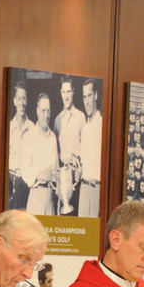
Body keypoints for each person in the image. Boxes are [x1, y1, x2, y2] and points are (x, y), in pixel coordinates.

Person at [21, 93, 58, 215]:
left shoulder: (52, 137)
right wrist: (39, 175)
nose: (46, 115)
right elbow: (24, 170)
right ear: (37, 111)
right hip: (36, 196)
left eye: (48, 111)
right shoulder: (29, 136)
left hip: (51, 197)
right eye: (43, 111)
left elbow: (56, 168)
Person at [54, 76, 84, 215]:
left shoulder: (81, 117)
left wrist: (79, 170)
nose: (66, 97)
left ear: (73, 92)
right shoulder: (57, 120)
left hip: (76, 177)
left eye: (68, 92)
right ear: (60, 93)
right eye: (63, 92)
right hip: (62, 178)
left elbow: (85, 148)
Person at [77, 78, 102, 217]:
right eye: (84, 97)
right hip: (83, 189)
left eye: (89, 96)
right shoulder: (85, 128)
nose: (86, 101)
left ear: (96, 96)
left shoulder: (102, 125)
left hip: (95, 189)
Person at [7, 81, 34, 210]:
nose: (22, 103)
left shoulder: (33, 128)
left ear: (27, 101)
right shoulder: (9, 128)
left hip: (26, 184)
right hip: (11, 181)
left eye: (24, 98)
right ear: (14, 101)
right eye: (19, 98)